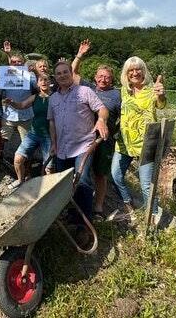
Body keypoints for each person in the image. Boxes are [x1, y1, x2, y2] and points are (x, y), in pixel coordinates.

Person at [111, 57, 176, 230]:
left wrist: (161, 93)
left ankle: (154, 214)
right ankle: (128, 204)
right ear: (126, 74)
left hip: (146, 143)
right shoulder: (123, 91)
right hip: (124, 143)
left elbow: (161, 105)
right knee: (115, 175)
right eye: (131, 70)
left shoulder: (152, 90)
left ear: (143, 71)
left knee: (146, 184)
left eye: (138, 69)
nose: (135, 73)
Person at [48, 61, 109, 219]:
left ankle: (83, 223)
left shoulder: (84, 91)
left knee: (82, 182)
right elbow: (52, 122)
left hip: (83, 145)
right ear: (55, 77)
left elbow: (102, 109)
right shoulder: (53, 98)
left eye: (65, 72)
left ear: (71, 73)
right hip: (62, 149)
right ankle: (68, 214)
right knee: (63, 185)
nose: (62, 75)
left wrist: (101, 120)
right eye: (59, 73)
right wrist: (54, 144)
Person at [72, 39, 121, 221]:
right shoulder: (88, 88)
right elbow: (73, 72)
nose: (103, 79)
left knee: (100, 174)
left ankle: (98, 208)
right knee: (82, 172)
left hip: (105, 141)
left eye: (107, 77)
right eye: (100, 76)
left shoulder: (117, 95)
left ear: (112, 79)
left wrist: (116, 132)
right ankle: (80, 205)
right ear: (95, 77)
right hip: (85, 138)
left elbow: (124, 117)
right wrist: (80, 55)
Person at [3, 73, 54, 189]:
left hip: (49, 136)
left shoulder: (56, 97)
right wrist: (11, 102)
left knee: (49, 168)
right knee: (18, 159)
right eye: (41, 80)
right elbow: (21, 105)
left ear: (50, 82)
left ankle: (49, 189)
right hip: (33, 134)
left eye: (46, 79)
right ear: (37, 83)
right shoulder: (35, 97)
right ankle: (20, 180)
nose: (44, 82)